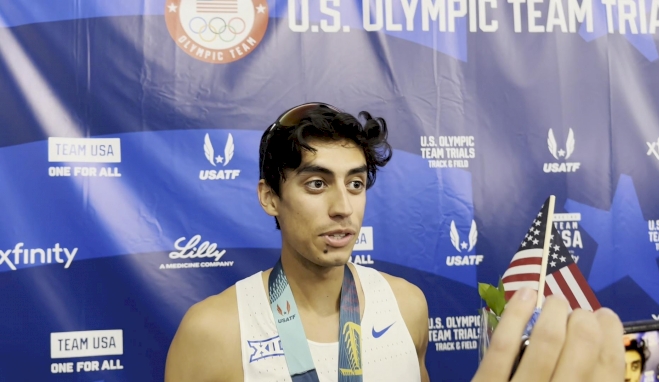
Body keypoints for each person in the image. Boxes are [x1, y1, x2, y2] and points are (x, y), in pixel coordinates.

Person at [165, 102, 626, 382]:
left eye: (356, 184)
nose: (343, 207)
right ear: (270, 197)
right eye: (316, 184)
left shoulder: (407, 305)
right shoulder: (213, 330)